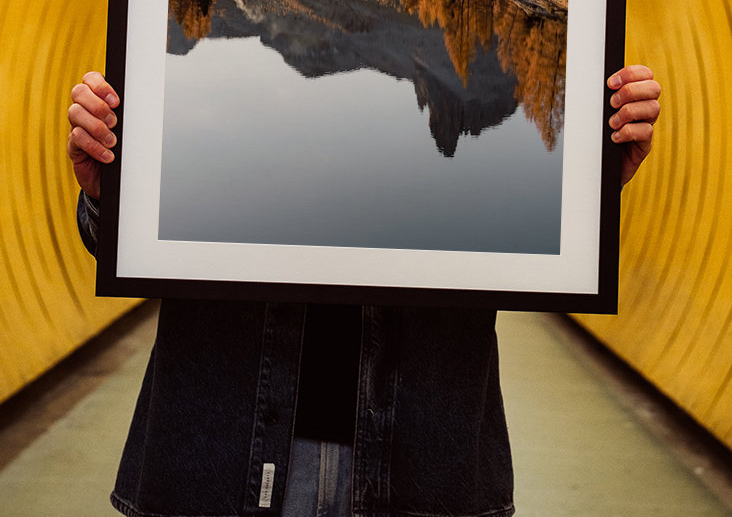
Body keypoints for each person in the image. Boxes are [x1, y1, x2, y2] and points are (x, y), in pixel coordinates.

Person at [68, 65, 661, 517]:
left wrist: (588, 188)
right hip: (219, 453)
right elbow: (121, 244)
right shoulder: (195, 97)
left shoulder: (484, 127)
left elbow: (525, 230)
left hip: (423, 462)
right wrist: (108, 193)